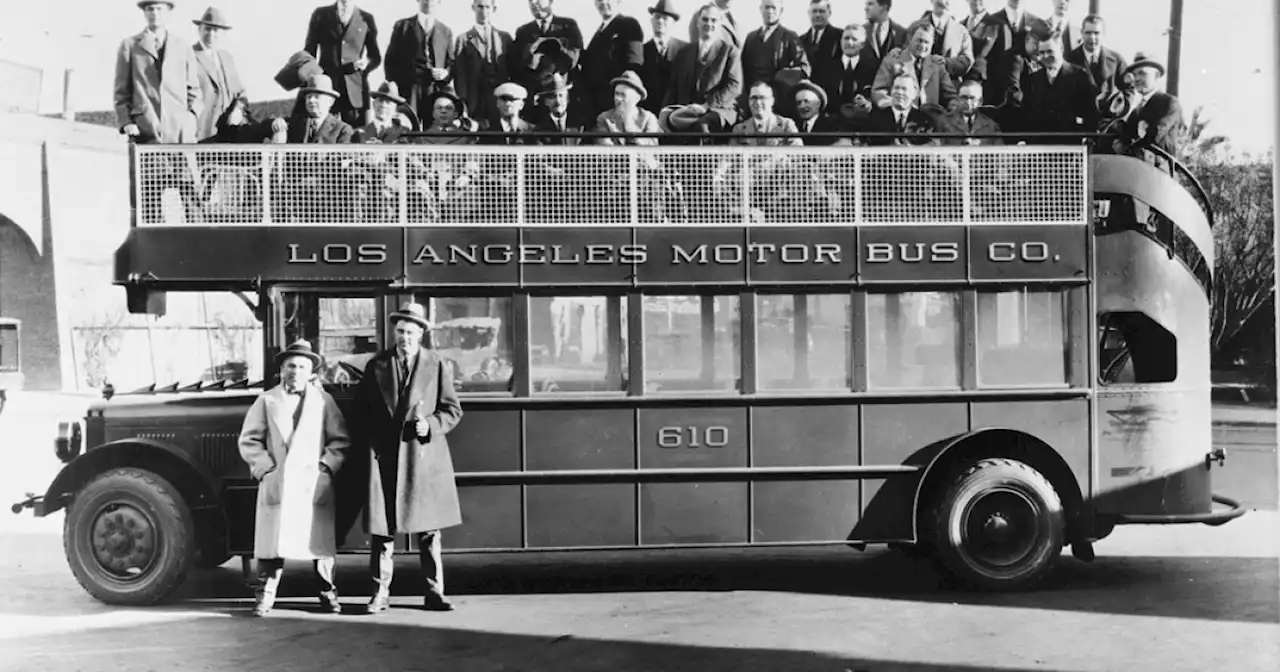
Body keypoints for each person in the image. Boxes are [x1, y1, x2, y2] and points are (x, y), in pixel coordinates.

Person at [357, 302, 464, 614]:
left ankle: (434, 593)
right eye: (400, 331)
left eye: (410, 332)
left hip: (423, 457)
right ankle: (380, 594)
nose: (404, 337)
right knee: (383, 530)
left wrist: (429, 425)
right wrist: (374, 443)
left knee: (429, 531)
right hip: (387, 458)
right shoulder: (376, 365)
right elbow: (361, 413)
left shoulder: (438, 364)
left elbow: (452, 410)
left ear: (421, 334)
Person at [237, 339, 351, 617]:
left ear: (311, 371)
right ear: (282, 369)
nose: (295, 371)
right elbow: (249, 440)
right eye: (290, 366)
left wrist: (326, 467)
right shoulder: (267, 400)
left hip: (313, 484)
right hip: (279, 482)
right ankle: (265, 597)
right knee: (272, 546)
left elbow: (340, 441)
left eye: (301, 366)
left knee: (320, 546)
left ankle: (327, 593)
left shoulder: (324, 401)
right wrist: (265, 468)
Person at [114, 0, 203, 144]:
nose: (154, 13)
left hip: (180, 132)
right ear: (144, 12)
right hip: (145, 129)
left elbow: (194, 91)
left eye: (159, 9)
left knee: (184, 167)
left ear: (168, 12)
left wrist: (190, 118)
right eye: (150, 9)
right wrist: (126, 122)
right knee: (148, 166)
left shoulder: (182, 46)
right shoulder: (130, 46)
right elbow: (121, 93)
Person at [664, 3, 742, 135]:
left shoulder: (729, 51)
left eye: (713, 20)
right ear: (697, 23)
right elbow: (672, 86)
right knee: (667, 121)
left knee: (702, 126)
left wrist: (706, 106)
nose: (709, 24)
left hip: (719, 109)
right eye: (705, 19)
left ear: (719, 24)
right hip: (687, 109)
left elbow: (734, 86)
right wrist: (664, 109)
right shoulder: (684, 52)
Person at [303, 0, 382, 127]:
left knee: (356, 136)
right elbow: (309, 52)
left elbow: (375, 57)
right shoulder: (321, 15)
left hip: (355, 89)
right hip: (326, 87)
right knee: (323, 132)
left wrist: (365, 64)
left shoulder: (366, 18)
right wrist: (315, 80)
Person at [385, 0, 457, 119]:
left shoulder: (446, 31)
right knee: (409, 125)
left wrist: (445, 73)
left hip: (434, 90)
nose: (428, 2)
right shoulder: (402, 26)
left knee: (432, 130)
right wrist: (393, 86)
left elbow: (451, 62)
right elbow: (390, 60)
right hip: (408, 89)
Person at [740, 0, 810, 119]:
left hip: (778, 99)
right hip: (753, 98)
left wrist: (783, 77)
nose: (770, 11)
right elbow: (742, 68)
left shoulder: (790, 36)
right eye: (767, 7)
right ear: (761, 9)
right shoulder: (751, 37)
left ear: (780, 11)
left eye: (773, 8)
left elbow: (804, 68)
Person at [579, 0, 645, 123]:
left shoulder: (629, 24)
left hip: (615, 105)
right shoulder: (599, 32)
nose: (603, 2)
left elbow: (634, 66)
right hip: (594, 106)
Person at [454, 0, 515, 124]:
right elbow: (459, 73)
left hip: (499, 95)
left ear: (494, 9)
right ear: (473, 8)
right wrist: (463, 102)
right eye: (480, 7)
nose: (484, 11)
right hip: (474, 97)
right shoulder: (464, 39)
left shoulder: (504, 38)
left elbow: (512, 69)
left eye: (487, 7)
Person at [191, 7, 245, 142]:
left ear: (223, 34)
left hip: (228, 131)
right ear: (199, 30)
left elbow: (241, 93)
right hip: (201, 133)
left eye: (215, 30)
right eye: (207, 29)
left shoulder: (227, 58)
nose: (211, 34)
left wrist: (238, 110)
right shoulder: (189, 56)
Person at [639, 0, 686, 116]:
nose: (660, 21)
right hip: (648, 114)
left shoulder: (685, 50)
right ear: (651, 21)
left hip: (676, 114)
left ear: (673, 23)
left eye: (665, 18)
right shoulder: (641, 51)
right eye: (657, 17)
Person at [801, 0, 843, 105]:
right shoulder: (800, 40)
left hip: (832, 98)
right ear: (808, 13)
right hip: (807, 97)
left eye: (822, 11)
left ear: (829, 13)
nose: (818, 15)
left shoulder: (840, 37)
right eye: (814, 11)